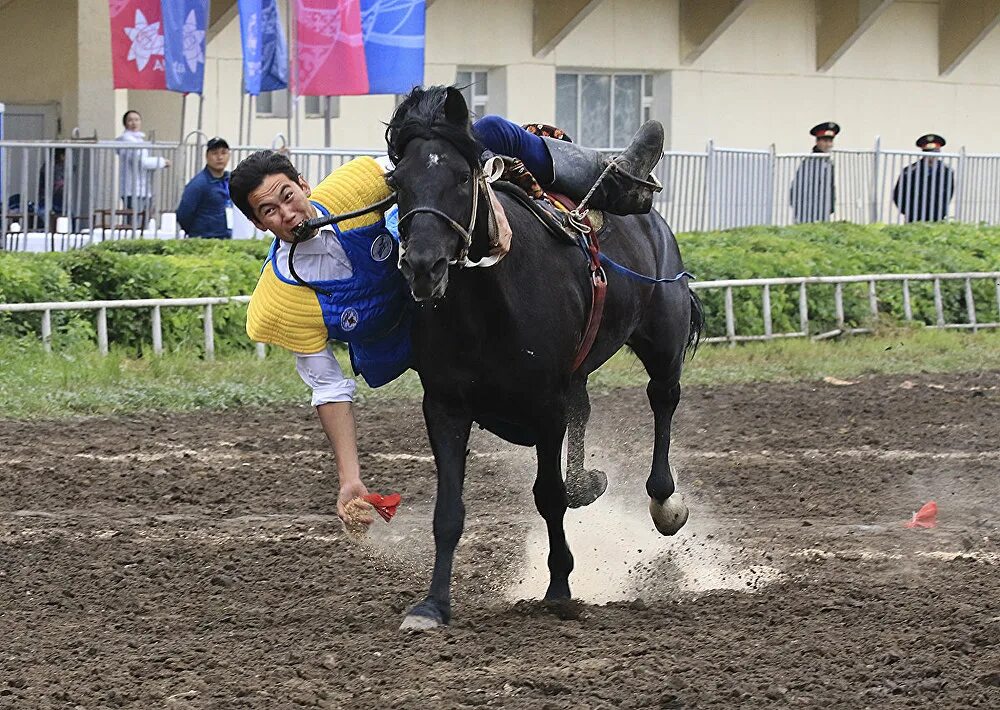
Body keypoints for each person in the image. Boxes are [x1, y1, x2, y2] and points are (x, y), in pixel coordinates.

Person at [230, 111, 664, 528]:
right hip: (429, 353)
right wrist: (349, 479)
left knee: (492, 129)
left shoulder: (356, 185)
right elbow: (327, 389)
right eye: (269, 211)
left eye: (288, 196)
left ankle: (618, 181)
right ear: (256, 223)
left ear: (303, 184)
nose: (287, 213)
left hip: (456, 303)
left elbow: (426, 163)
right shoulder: (282, 300)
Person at [115, 110, 170, 220]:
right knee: (135, 222)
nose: (134, 123)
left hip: (143, 188)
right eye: (130, 120)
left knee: (144, 220)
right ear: (125, 123)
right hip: (132, 189)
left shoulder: (138, 139)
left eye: (137, 120)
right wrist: (162, 162)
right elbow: (141, 161)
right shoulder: (127, 140)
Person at [176, 137, 233, 239]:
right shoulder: (198, 184)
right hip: (205, 239)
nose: (220, 157)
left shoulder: (231, 180)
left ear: (229, 156)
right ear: (207, 156)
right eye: (215, 153)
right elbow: (183, 214)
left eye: (223, 153)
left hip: (228, 237)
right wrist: (197, 233)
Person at [892, 133, 955, 222]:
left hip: (937, 217)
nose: (932, 156)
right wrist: (908, 211)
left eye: (935, 152)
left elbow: (949, 194)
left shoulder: (947, 172)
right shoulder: (909, 172)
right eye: (928, 152)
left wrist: (940, 210)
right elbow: (898, 195)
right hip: (914, 218)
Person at [789, 121, 839, 223]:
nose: (829, 145)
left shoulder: (829, 162)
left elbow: (830, 187)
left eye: (830, 141)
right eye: (825, 141)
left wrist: (830, 208)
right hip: (807, 215)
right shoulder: (809, 163)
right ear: (817, 142)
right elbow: (797, 190)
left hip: (823, 213)